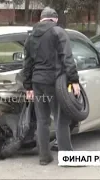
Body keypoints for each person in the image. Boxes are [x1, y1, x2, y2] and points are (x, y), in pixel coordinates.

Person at [21, 7, 81, 165]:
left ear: (41, 19)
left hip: (37, 82)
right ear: (54, 19)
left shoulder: (31, 36)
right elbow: (68, 58)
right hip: (55, 82)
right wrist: (74, 81)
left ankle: (44, 157)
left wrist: (28, 87)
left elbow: (26, 64)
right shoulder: (58, 32)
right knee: (61, 120)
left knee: (42, 120)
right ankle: (67, 158)